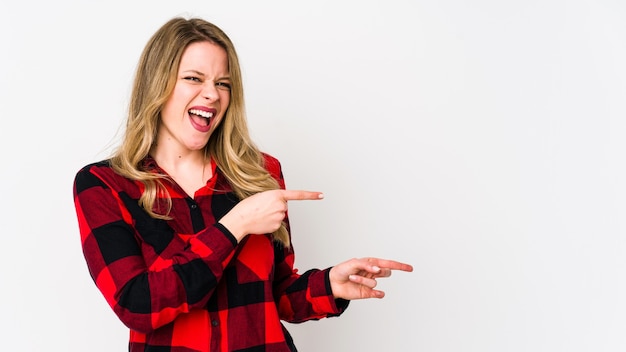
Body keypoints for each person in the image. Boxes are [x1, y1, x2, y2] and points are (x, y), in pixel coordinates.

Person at [72, 16, 413, 352]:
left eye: (223, 83)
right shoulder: (103, 185)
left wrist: (330, 285)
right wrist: (234, 225)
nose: (212, 94)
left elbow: (276, 294)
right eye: (194, 78)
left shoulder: (259, 173)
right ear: (157, 85)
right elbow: (138, 305)